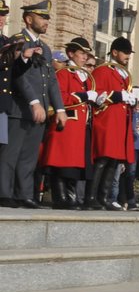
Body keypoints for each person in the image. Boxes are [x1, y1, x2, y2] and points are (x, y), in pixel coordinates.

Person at [0, 0, 66, 207]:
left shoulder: (44, 48)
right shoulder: (18, 41)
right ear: (29, 19)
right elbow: (19, 77)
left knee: (29, 156)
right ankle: (4, 193)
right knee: (11, 153)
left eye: (47, 17)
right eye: (42, 17)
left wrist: (60, 108)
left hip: (38, 110)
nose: (47, 21)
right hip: (20, 107)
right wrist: (34, 102)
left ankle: (24, 194)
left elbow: (51, 81)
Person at [40, 34, 93, 208]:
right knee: (61, 163)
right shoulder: (64, 73)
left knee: (74, 165)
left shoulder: (84, 76)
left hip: (79, 126)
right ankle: (60, 197)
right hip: (67, 123)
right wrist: (83, 96)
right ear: (71, 54)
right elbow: (59, 97)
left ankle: (71, 196)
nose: (85, 57)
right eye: (81, 53)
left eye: (86, 54)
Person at [87, 36, 137, 209]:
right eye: (125, 53)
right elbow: (97, 95)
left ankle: (104, 196)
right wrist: (117, 95)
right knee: (102, 159)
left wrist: (133, 99)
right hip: (107, 120)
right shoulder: (103, 70)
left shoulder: (123, 74)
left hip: (120, 122)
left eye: (129, 53)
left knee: (114, 161)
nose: (127, 56)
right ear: (114, 52)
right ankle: (91, 196)